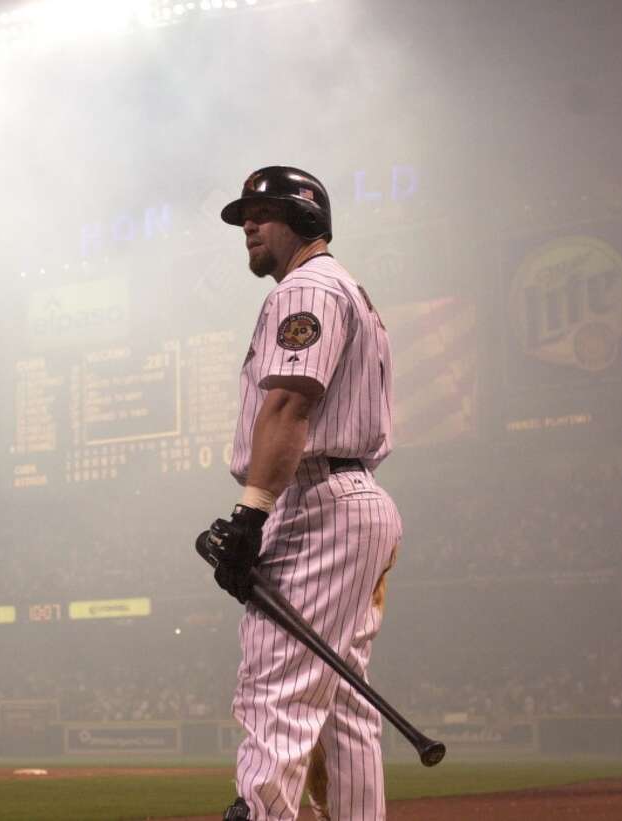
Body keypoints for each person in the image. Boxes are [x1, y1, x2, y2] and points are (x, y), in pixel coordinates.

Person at [204, 166, 401, 821]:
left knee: (277, 688)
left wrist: (250, 516)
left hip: (318, 503)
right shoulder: (347, 288)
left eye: (262, 214)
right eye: (243, 217)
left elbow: (289, 402)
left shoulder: (308, 289)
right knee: (344, 704)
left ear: (305, 219)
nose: (248, 227)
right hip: (354, 500)